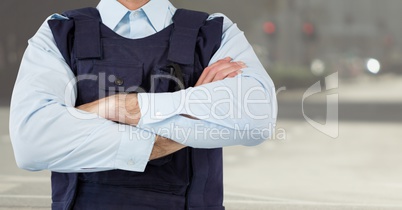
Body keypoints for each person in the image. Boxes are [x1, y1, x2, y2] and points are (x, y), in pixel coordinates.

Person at [9, 0, 277, 209]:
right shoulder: (61, 31)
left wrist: (121, 106)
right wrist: (194, 114)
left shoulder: (214, 31)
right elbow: (31, 144)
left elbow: (258, 117)